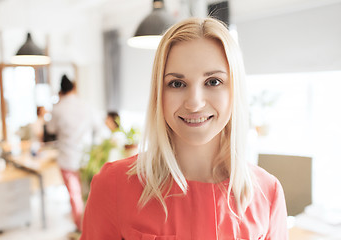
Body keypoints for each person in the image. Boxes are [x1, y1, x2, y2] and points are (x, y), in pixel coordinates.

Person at [80, 17, 288, 239]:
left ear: (234, 90)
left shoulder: (268, 193)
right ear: (159, 93)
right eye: (177, 84)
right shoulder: (113, 185)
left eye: (213, 81)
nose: (194, 103)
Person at [46, 74, 99, 234]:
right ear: (74, 87)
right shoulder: (85, 105)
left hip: (67, 158)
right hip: (86, 157)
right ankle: (93, 226)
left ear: (61, 90)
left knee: (74, 196)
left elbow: (50, 129)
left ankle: (82, 229)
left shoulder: (58, 108)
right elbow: (98, 127)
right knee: (89, 193)